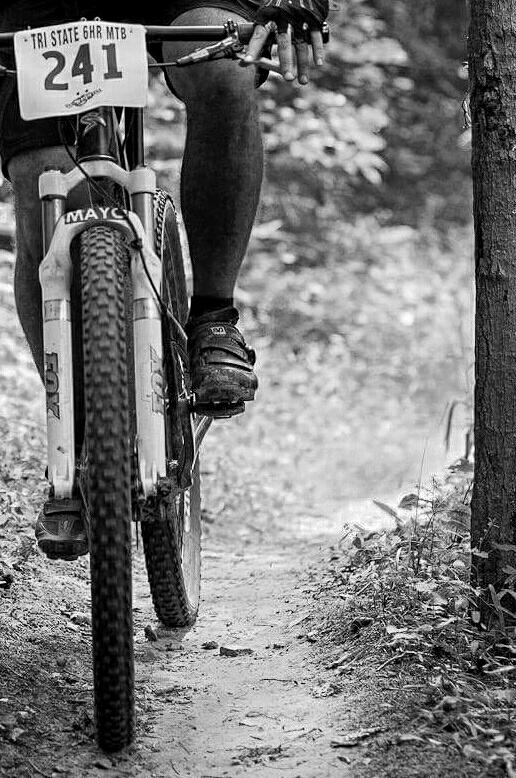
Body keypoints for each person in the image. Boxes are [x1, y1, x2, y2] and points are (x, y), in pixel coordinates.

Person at [0, 0, 329, 559]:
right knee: (44, 181)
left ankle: (215, 321)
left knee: (227, 77)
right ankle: (76, 444)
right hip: (38, 6)